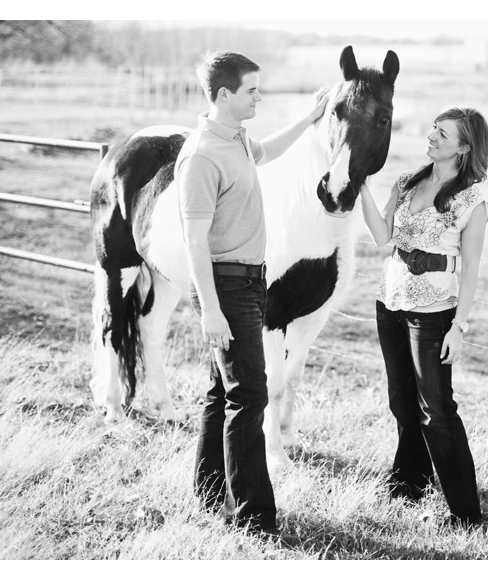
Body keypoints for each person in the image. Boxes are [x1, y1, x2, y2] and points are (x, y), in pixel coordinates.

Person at [176, 51, 328, 543]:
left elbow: (268, 152)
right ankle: (253, 516)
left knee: (223, 392)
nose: (259, 97)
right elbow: (194, 241)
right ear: (223, 95)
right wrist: (212, 311)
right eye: (251, 91)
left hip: (250, 281)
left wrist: (308, 120)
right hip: (226, 285)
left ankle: (207, 491)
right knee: (250, 394)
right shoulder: (201, 156)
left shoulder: (237, 138)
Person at [359, 106, 488, 528]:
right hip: (390, 304)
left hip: (433, 315)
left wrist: (459, 325)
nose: (431, 137)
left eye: (443, 134)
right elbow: (383, 237)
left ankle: (465, 513)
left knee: (436, 410)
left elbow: (470, 269)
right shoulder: (406, 181)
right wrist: (360, 183)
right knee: (401, 402)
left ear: (464, 148)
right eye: (433, 129)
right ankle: (408, 485)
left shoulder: (472, 202)